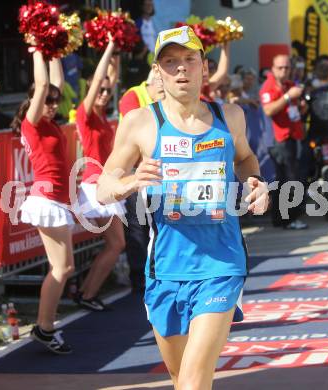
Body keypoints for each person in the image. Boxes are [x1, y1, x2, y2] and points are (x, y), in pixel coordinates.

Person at [97, 26, 269, 389]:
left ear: (204, 67)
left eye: (189, 60)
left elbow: (247, 158)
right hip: (165, 270)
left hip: (221, 264)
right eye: (170, 62)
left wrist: (256, 182)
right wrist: (129, 182)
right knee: (180, 377)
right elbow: (103, 187)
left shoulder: (230, 117)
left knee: (192, 380)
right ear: (157, 71)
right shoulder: (140, 122)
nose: (180, 69)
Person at [11, 52, 74, 354]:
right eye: (46, 100)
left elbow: (55, 82)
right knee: (62, 268)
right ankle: (44, 327)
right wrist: (37, 47)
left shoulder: (49, 121)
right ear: (35, 99)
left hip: (58, 200)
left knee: (63, 267)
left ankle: (45, 326)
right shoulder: (32, 122)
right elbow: (44, 82)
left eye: (54, 101)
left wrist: (55, 51)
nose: (52, 105)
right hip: (46, 199)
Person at [74, 34, 126, 311]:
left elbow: (111, 78)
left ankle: (85, 292)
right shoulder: (85, 115)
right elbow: (97, 82)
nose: (104, 94)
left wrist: (116, 47)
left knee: (114, 244)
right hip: (95, 186)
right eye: (101, 91)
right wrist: (107, 48)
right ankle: (86, 294)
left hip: (106, 183)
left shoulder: (103, 116)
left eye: (108, 92)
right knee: (117, 244)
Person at [118, 70, 164, 293]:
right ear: (154, 81)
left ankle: (159, 272)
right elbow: (139, 131)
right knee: (138, 227)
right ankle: (138, 278)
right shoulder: (133, 96)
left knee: (160, 224)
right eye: (163, 88)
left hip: (163, 173)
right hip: (138, 171)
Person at [260, 54, 308, 230]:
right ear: (273, 69)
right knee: (288, 180)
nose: (284, 71)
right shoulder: (269, 86)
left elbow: (295, 109)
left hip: (293, 136)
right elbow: (268, 109)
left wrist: (301, 106)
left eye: (287, 67)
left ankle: (282, 219)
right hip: (278, 140)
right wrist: (288, 97)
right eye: (280, 67)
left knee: (287, 179)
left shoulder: (289, 85)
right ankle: (289, 219)